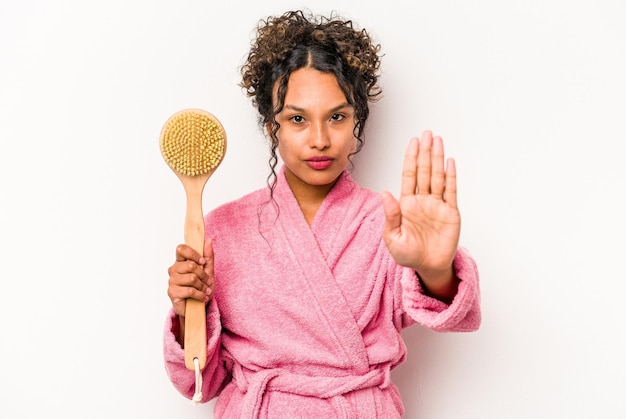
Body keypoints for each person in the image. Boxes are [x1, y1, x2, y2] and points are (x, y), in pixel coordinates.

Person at [163, 9, 480, 418]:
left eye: (337, 117)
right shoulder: (222, 229)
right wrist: (190, 307)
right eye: (297, 119)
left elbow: (450, 313)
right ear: (270, 127)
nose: (319, 139)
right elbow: (198, 383)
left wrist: (435, 271)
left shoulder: (389, 225)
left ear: (357, 122)